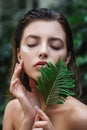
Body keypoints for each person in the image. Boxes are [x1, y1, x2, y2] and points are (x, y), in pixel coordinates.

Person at [2, 8, 87, 130]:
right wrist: (28, 119)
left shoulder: (81, 117)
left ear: (67, 58)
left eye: (55, 46)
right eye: (32, 44)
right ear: (19, 55)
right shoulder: (13, 110)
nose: (43, 51)